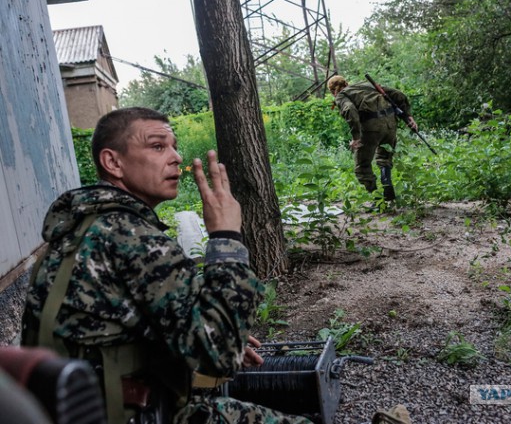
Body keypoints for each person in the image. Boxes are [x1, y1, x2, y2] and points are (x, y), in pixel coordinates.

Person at [21, 107, 311, 424]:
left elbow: (114, 328)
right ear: (113, 162)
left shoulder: (83, 227)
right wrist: (226, 236)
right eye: (158, 146)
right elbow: (219, 357)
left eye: (174, 146)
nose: (175, 157)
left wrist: (204, 329)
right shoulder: (133, 238)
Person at [328, 75, 418, 203]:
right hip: (390, 124)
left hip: (372, 128)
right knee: (384, 158)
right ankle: (388, 189)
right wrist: (408, 116)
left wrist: (356, 138)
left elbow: (349, 110)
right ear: (346, 83)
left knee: (362, 166)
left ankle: (377, 199)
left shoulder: (341, 95)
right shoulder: (366, 85)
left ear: (332, 91)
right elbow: (398, 94)